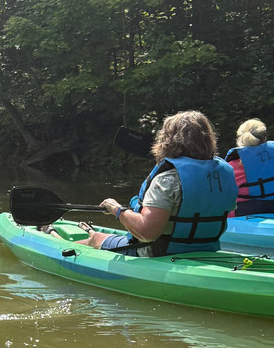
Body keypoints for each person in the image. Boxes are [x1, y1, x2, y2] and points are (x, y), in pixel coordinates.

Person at [84, 110, 238, 256]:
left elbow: (147, 233)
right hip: (207, 250)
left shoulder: (168, 179)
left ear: (168, 141)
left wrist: (116, 209)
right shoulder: (225, 173)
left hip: (159, 253)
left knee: (96, 238)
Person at [224, 118, 274, 216]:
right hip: (270, 213)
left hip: (237, 221)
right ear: (264, 139)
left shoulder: (229, 168)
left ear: (240, 139)